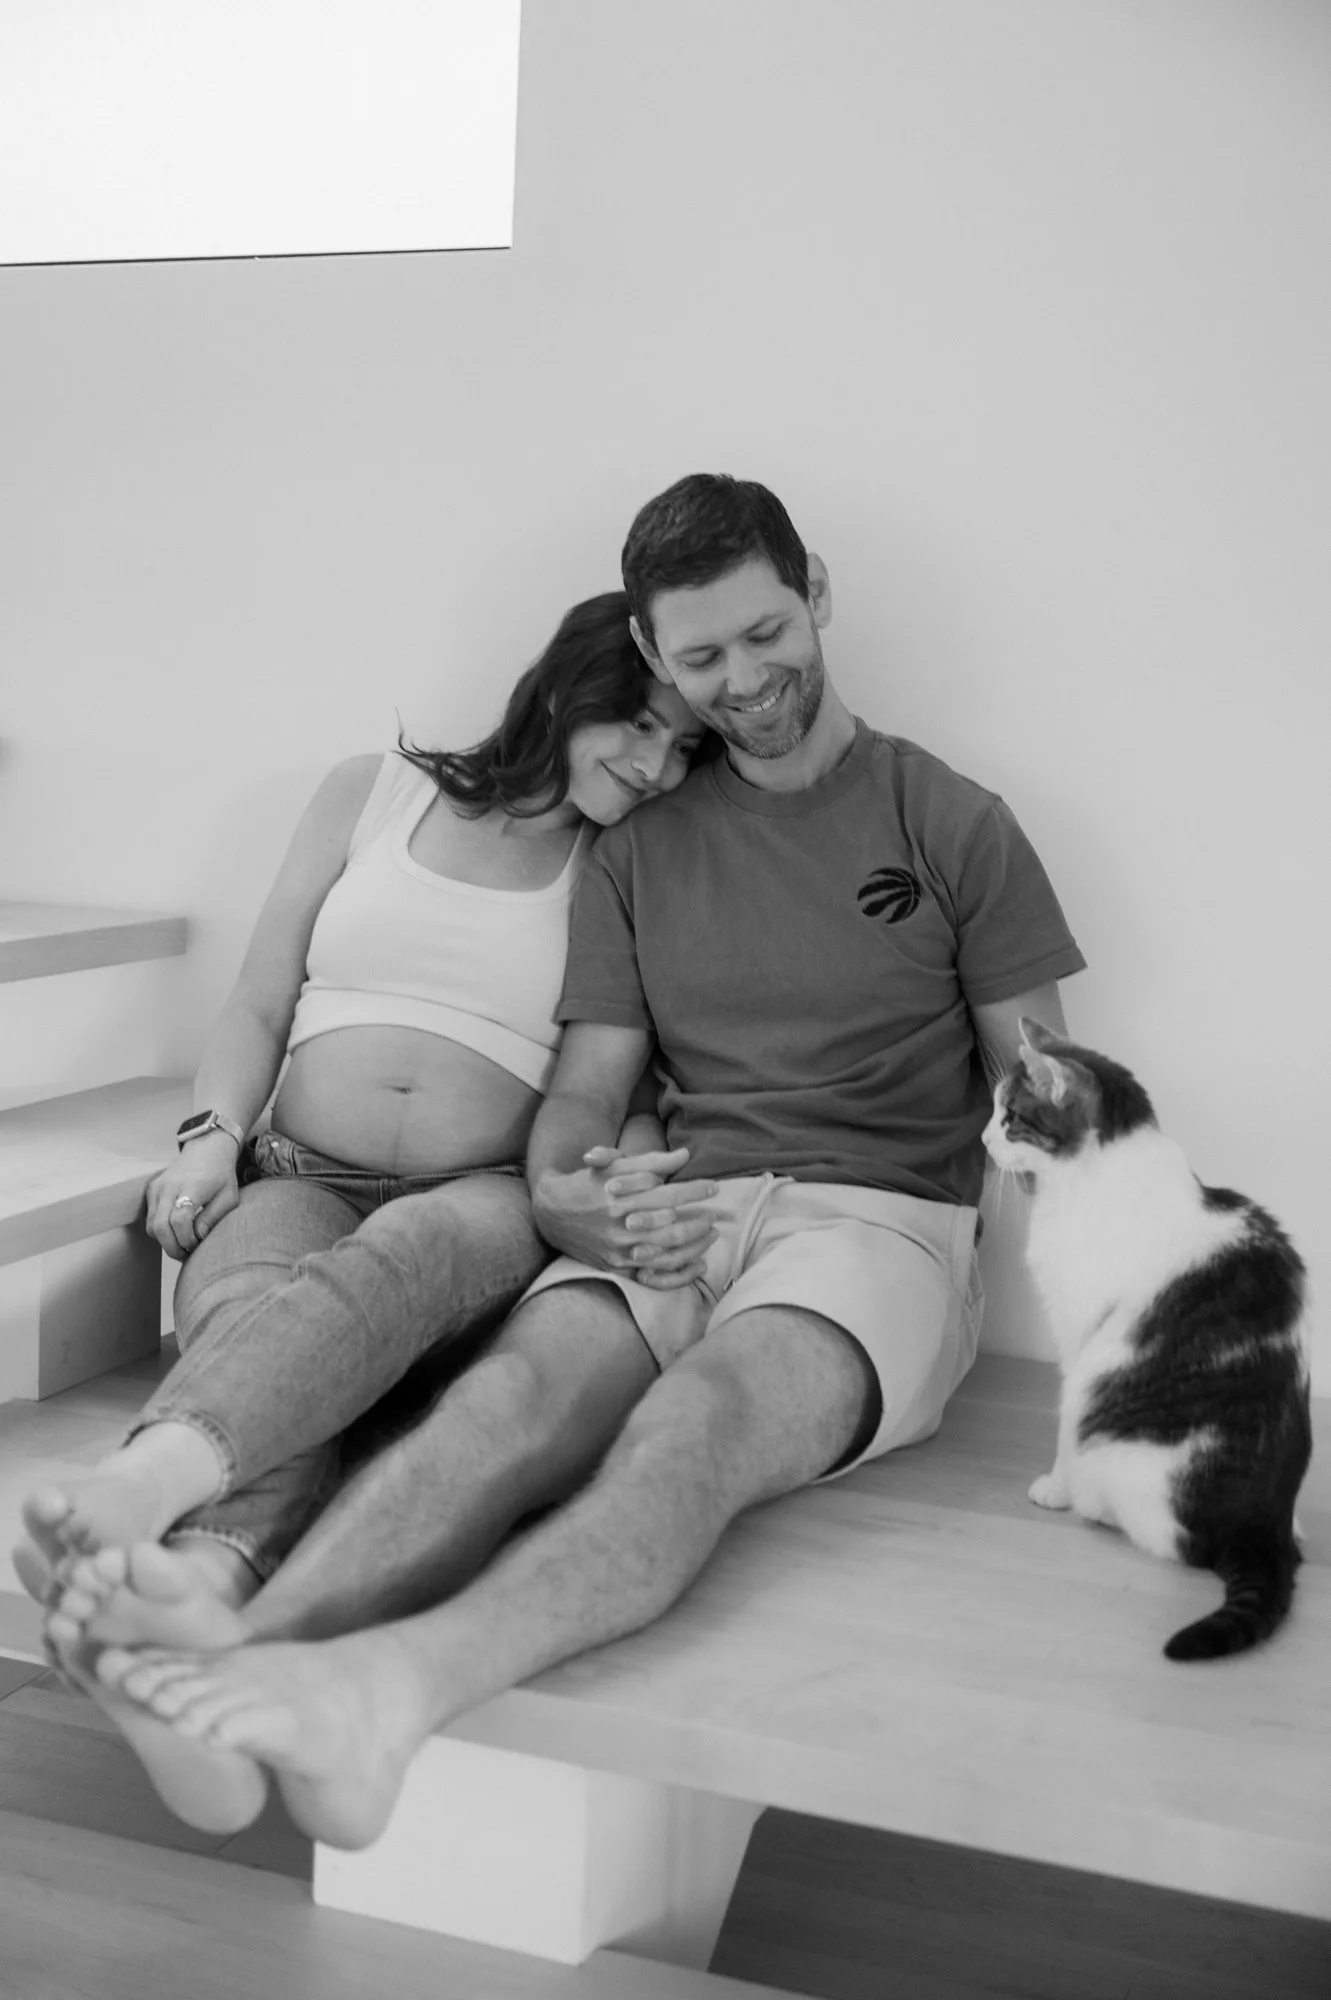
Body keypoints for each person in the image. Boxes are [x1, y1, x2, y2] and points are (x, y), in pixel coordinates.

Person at [46, 475, 1087, 1851]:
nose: (744, 680)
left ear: (814, 593)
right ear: (652, 656)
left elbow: (1053, 1101)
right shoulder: (636, 848)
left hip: (872, 1228)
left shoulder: (949, 820)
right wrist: (570, 1195)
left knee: (691, 1425)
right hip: (678, 1210)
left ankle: (381, 1689)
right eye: (701, 657)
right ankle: (227, 1670)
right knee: (507, 1401)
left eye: (766, 633)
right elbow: (588, 1087)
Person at [15, 591, 708, 1633]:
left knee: (403, 1253)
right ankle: (205, 1578)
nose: (657, 766)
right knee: (246, 1309)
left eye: (682, 745)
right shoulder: (371, 793)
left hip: (480, 1195)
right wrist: (211, 1144)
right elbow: (256, 1000)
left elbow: (615, 1071)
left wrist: (622, 1179)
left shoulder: (623, 864)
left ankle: (142, 1484)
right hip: (295, 1168)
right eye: (642, 724)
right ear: (571, 687)